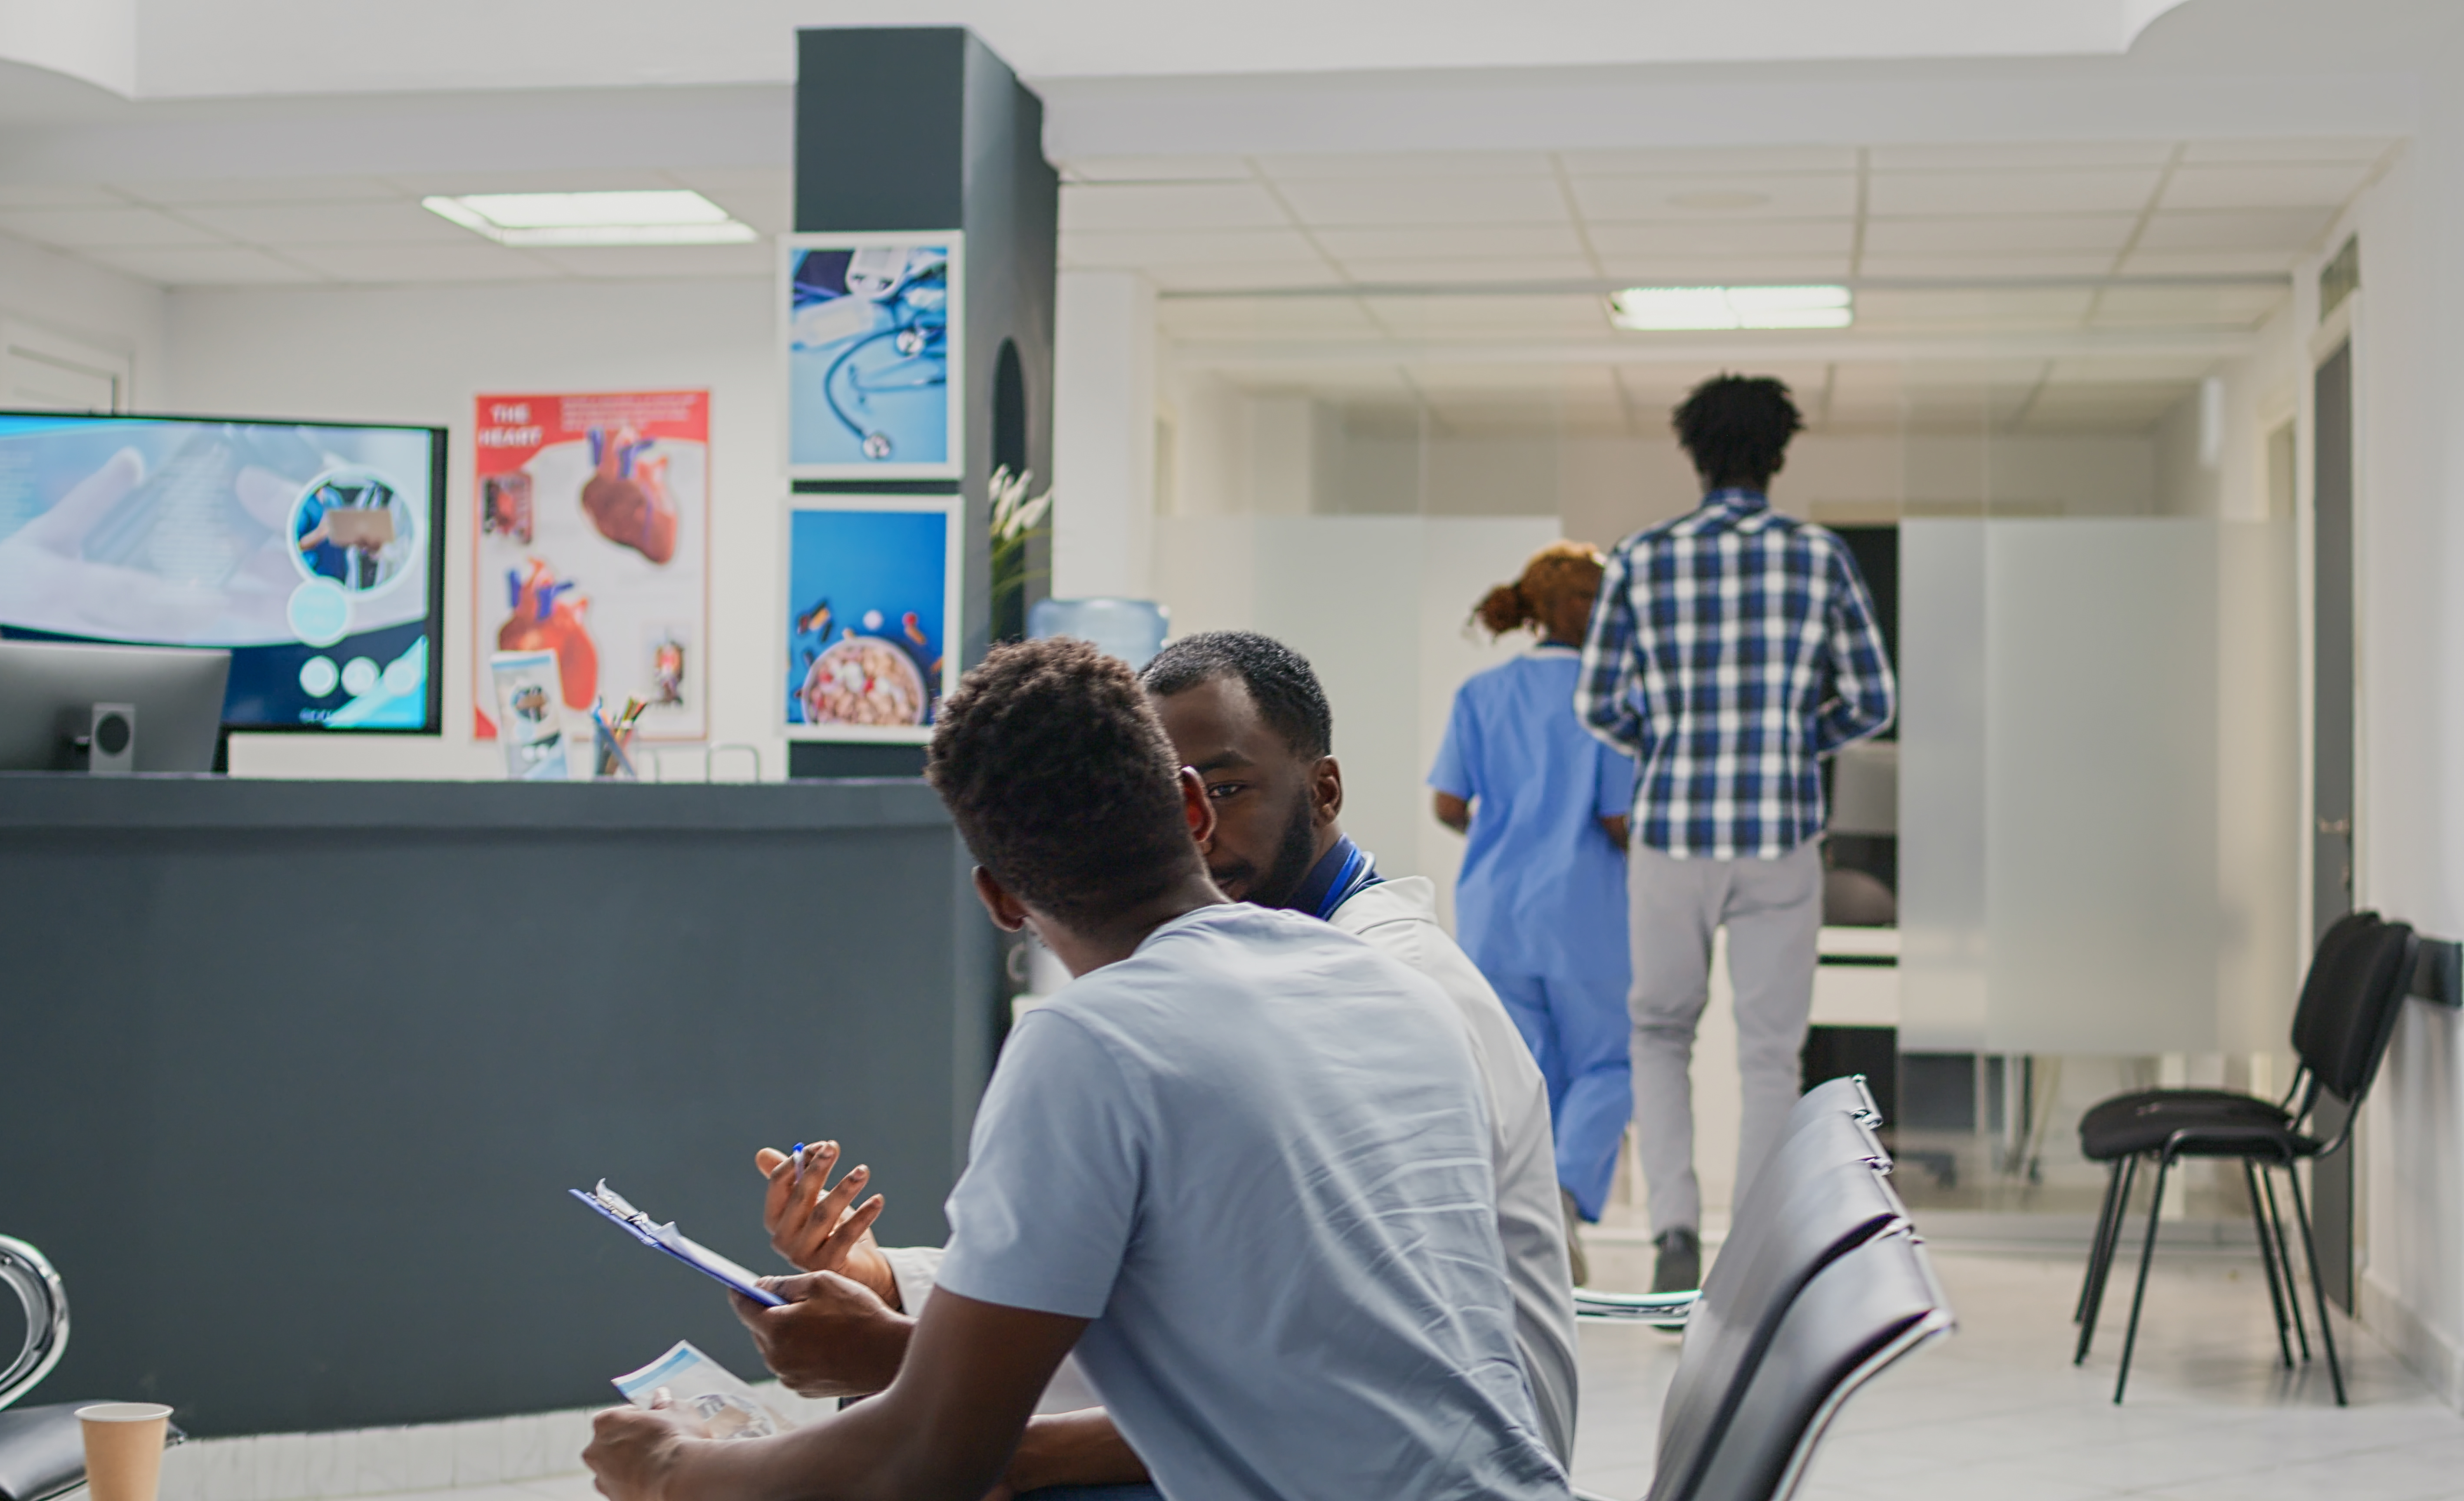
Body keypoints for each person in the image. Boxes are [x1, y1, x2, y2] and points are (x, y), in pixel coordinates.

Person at [586, 638, 1564, 1501]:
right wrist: (893, 1301)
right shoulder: (1384, 986)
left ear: (1002, 900)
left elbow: (930, 1458)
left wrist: (670, 1473)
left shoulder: (1088, 1040)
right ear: (1190, 809)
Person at [1573, 374, 1894, 1295]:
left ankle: (1674, 1227)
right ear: (1778, 454)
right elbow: (1876, 699)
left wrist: (1668, 744)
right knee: (1768, 1050)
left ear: (1695, 453)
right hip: (1781, 831)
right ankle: (1756, 1246)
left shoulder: (1641, 558)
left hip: (1672, 831)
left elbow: (1598, 702)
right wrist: (1797, 741)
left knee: (1660, 1032)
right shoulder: (1819, 555)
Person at [1431, 542, 1636, 1278]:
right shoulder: (1612, 700)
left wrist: (1507, 830)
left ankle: (1522, 1232)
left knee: (1521, 1076)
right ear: (1584, 608)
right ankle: (1562, 1195)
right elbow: (1617, 820)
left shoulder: (1480, 694)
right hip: (1585, 914)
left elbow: (1449, 805)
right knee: (1612, 1062)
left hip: (1495, 913)